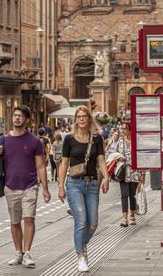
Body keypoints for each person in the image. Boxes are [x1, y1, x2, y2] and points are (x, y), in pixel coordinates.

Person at [0, 105, 50, 268]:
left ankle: (28, 253)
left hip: (30, 186)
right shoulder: (3, 140)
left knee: (29, 218)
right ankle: (18, 252)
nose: (16, 118)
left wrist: (45, 188)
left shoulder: (34, 141)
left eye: (20, 116)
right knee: (15, 221)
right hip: (10, 186)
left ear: (27, 120)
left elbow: (41, 166)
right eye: (15, 115)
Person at [58, 106, 110, 272]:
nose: (81, 119)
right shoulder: (69, 139)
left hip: (92, 183)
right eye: (78, 116)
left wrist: (106, 177)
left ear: (89, 119)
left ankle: (81, 243)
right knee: (81, 222)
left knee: (93, 223)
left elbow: (101, 160)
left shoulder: (96, 139)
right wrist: (60, 186)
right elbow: (64, 163)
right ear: (75, 119)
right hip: (74, 184)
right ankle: (81, 256)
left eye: (84, 116)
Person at [116, 122, 145, 227]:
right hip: (123, 171)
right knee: (124, 194)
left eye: (125, 129)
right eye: (121, 129)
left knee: (132, 195)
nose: (123, 131)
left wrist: (143, 173)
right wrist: (119, 158)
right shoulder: (120, 141)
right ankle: (124, 218)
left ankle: (132, 215)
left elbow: (141, 157)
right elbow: (115, 155)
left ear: (130, 130)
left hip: (134, 171)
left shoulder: (136, 141)